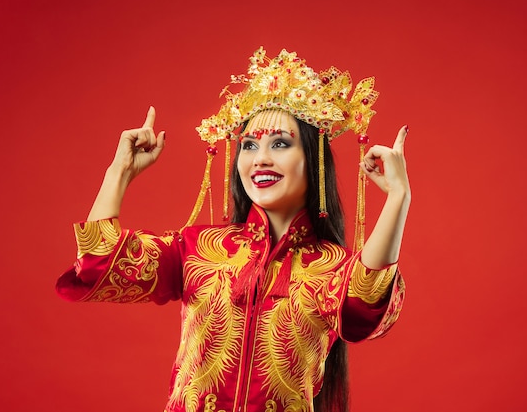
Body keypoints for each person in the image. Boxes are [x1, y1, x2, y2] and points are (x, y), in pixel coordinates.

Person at [57, 47, 410, 412]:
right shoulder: (198, 249)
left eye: (280, 144)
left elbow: (366, 303)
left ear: (313, 158)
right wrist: (118, 173)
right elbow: (99, 262)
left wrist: (398, 197)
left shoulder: (333, 269)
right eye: (249, 146)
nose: (260, 159)